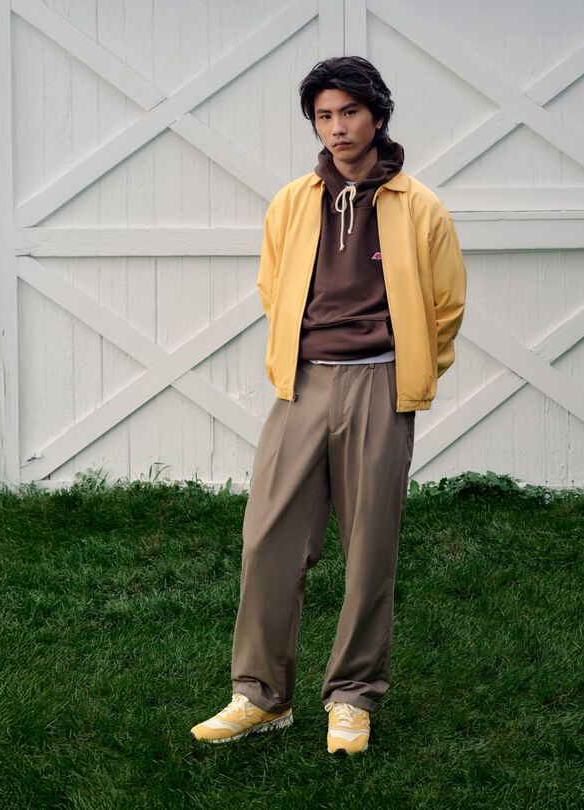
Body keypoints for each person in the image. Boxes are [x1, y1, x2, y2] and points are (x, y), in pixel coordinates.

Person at [190, 56, 467, 756]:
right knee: (268, 539)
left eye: (348, 112)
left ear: (377, 115)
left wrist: (408, 378)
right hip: (303, 385)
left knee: (369, 547)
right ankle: (260, 696)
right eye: (323, 116)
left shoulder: (419, 206)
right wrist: (296, 353)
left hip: (379, 386)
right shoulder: (292, 201)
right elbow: (272, 284)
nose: (337, 127)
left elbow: (445, 304)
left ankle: (352, 697)